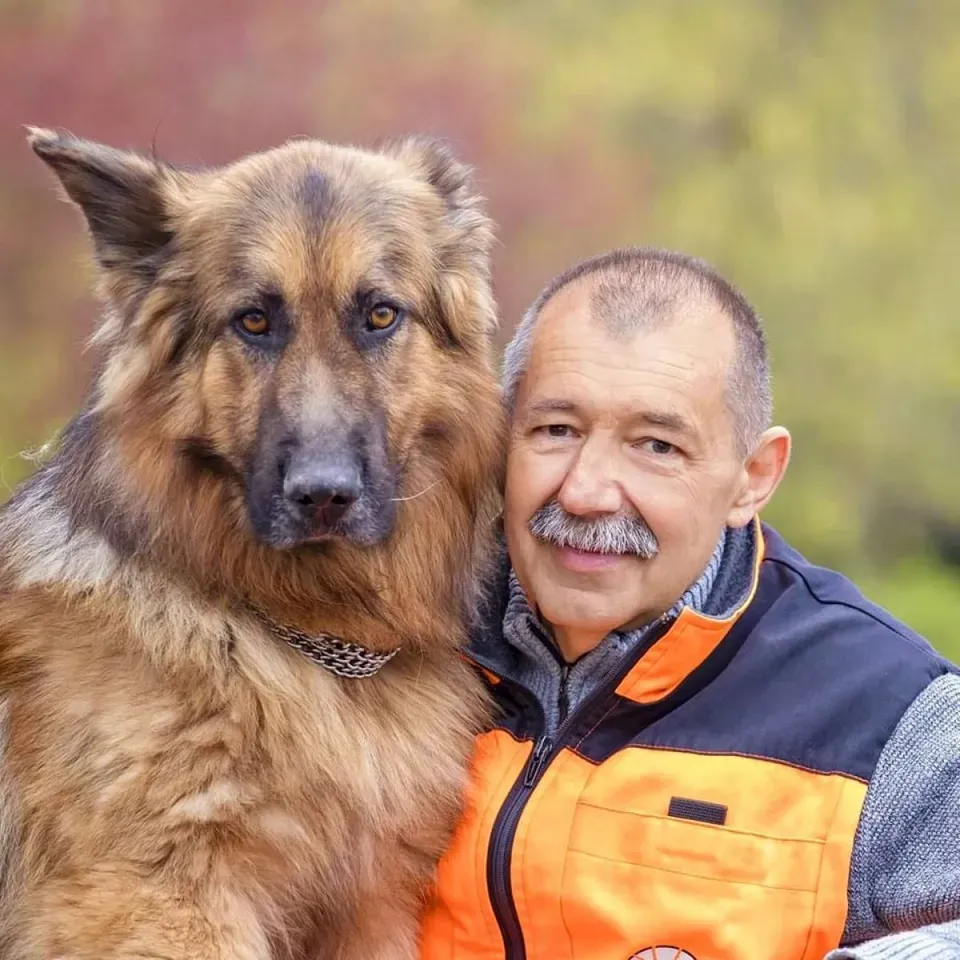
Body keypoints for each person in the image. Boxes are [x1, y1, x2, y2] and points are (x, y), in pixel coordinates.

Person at [418, 248, 960, 960]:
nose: (585, 492)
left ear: (753, 478)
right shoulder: (392, 640)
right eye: (556, 431)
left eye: (656, 446)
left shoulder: (886, 713)